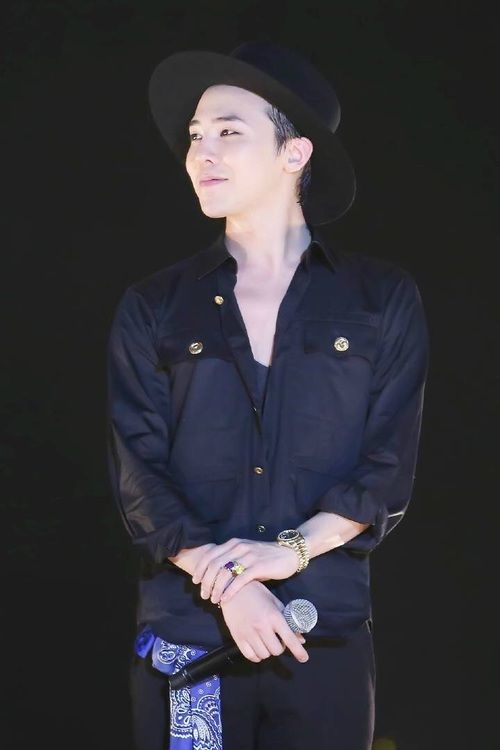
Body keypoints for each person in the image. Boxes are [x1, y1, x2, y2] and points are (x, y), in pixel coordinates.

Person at [106, 40, 429, 750]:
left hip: (322, 637)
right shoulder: (154, 306)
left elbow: (387, 468)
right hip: (190, 638)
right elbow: (138, 475)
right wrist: (233, 585)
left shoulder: (380, 300)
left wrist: (292, 551)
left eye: (228, 131)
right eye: (195, 136)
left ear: (295, 153)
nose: (201, 153)